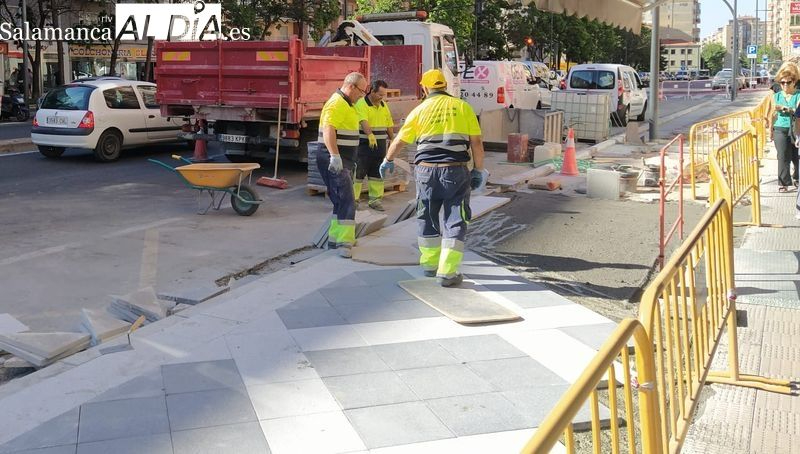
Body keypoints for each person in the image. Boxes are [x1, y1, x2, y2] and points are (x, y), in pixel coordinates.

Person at [381, 69, 488, 287]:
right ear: (445, 86)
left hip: (426, 171)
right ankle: (447, 272)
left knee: (427, 214)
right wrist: (478, 170)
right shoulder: (462, 107)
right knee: (455, 217)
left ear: (425, 88)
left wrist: (388, 159)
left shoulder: (419, 110)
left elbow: (400, 140)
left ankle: (429, 265)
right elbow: (476, 143)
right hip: (455, 170)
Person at [316, 72, 369, 258]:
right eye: (361, 91)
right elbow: (329, 129)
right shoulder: (337, 102)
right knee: (347, 198)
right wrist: (335, 156)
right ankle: (345, 242)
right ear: (351, 87)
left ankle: (335, 238)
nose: (362, 96)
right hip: (335, 158)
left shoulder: (348, 103)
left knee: (340, 199)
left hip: (344, 158)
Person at [353, 79, 395, 211]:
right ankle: (353, 200)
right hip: (364, 145)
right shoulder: (361, 104)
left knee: (377, 173)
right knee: (358, 173)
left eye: (384, 95)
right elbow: (363, 120)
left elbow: (388, 123)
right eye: (380, 95)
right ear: (372, 91)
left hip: (380, 145)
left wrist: (393, 139)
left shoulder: (383, 105)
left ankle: (375, 200)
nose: (382, 97)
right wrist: (370, 134)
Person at [771, 62, 800, 192]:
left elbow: (797, 111)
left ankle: (797, 177)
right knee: (782, 155)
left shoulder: (798, 95)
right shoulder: (776, 96)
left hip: (796, 128)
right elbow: (772, 113)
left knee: (796, 155)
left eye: (788, 82)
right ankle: (783, 183)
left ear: (794, 81)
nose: (785, 85)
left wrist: (785, 108)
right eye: (782, 83)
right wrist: (770, 130)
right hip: (780, 128)